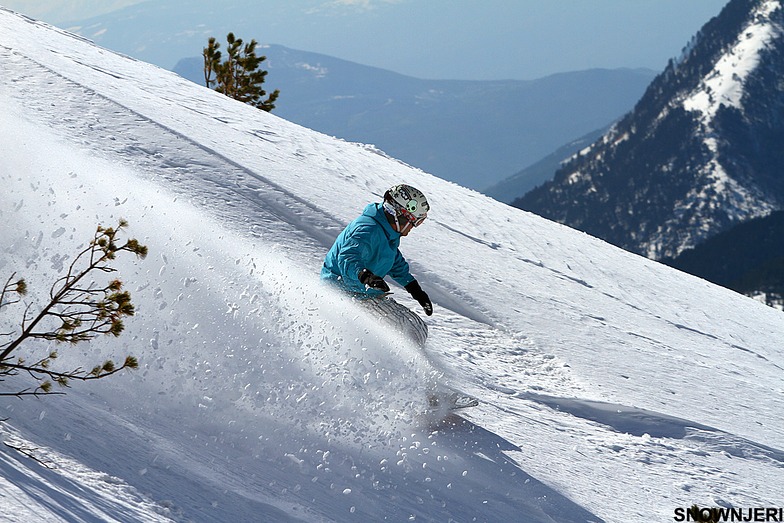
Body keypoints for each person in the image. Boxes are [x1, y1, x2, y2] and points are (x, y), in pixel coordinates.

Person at [321, 184, 433, 317]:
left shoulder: (387, 234)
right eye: (413, 222)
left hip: (362, 294)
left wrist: (415, 289)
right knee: (402, 329)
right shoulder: (367, 228)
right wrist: (366, 276)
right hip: (341, 292)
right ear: (400, 215)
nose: (412, 228)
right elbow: (347, 257)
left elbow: (393, 261)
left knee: (412, 327)